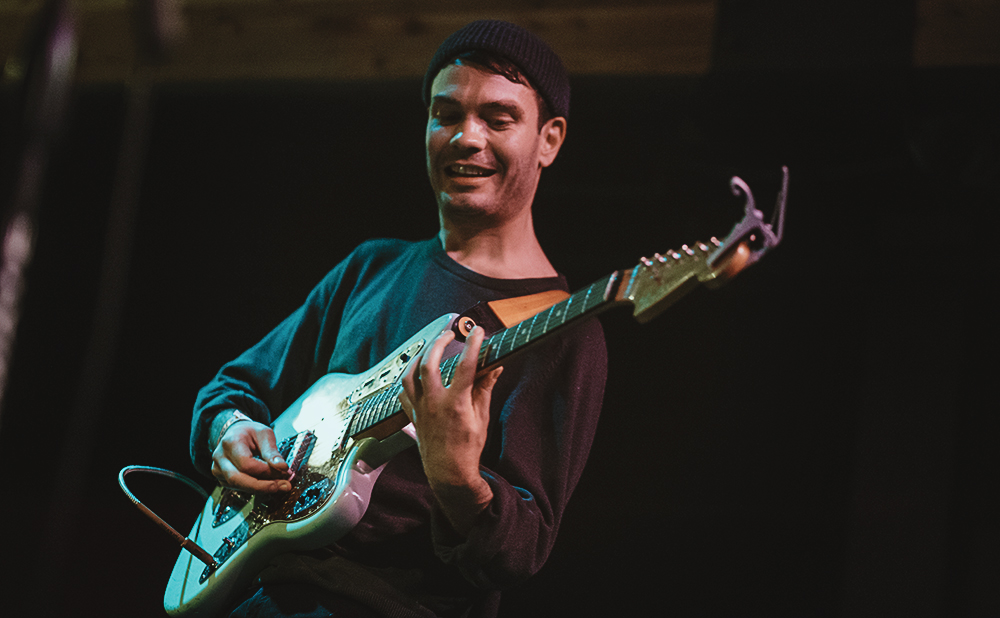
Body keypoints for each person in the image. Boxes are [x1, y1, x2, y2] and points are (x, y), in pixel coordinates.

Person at [190, 19, 607, 618]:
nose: (467, 137)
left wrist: (457, 477)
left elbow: (521, 552)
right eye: (446, 114)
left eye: (498, 117)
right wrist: (228, 430)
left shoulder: (565, 331)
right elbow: (232, 387)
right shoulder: (372, 266)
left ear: (550, 139)